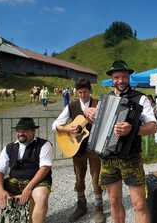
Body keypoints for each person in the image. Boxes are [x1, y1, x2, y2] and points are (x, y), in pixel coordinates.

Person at [85, 60, 157, 223]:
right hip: (108, 158)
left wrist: (133, 130)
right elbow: (98, 124)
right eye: (117, 77)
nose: (121, 80)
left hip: (131, 157)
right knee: (114, 202)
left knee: (138, 204)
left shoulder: (141, 98)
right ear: (112, 79)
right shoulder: (104, 99)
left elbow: (153, 127)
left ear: (129, 77)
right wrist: (88, 114)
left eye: (124, 76)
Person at [0, 117, 53, 223]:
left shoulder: (44, 145)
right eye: (18, 131)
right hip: (14, 181)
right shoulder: (9, 147)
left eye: (25, 131)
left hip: (37, 182)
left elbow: (45, 168)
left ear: (33, 131)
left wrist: (28, 188)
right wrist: (0, 191)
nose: (21, 133)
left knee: (41, 198)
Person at [51, 78, 105, 223]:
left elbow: (107, 122)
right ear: (76, 92)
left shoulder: (98, 104)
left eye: (85, 92)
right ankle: (81, 206)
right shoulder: (71, 106)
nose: (82, 95)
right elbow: (55, 124)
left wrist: (97, 118)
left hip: (94, 147)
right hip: (77, 148)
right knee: (79, 177)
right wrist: (68, 128)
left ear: (90, 91)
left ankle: (99, 208)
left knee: (96, 177)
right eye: (80, 92)